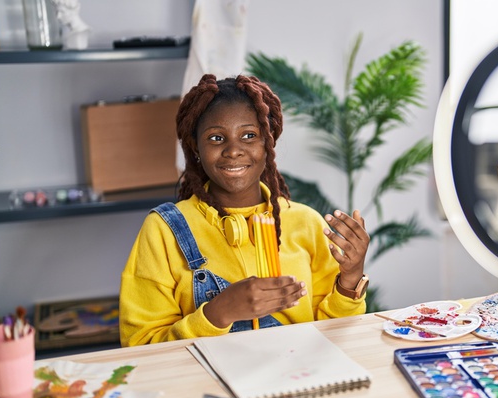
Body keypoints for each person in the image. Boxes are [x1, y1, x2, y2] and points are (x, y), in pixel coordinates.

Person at [119, 74, 370, 346]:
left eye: (249, 135)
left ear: (268, 143)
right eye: (216, 138)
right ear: (196, 148)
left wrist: (350, 278)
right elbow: (140, 346)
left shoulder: (306, 222)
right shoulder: (163, 230)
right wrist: (217, 313)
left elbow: (334, 336)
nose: (233, 150)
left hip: (296, 376)